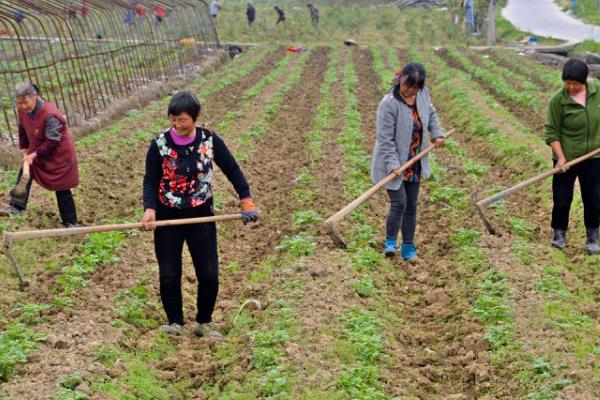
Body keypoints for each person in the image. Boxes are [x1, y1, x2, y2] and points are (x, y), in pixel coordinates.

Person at [141, 91, 260, 338]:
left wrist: (245, 200)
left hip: (201, 213)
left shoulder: (209, 140)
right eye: (173, 119)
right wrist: (150, 209)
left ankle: (204, 323)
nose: (177, 124)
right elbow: (151, 180)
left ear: (195, 118)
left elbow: (232, 169)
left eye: (183, 119)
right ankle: (175, 322)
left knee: (208, 272)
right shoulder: (160, 144)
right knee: (169, 271)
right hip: (168, 214)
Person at [370, 62, 445, 261]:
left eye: (415, 87)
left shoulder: (422, 95)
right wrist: (394, 165)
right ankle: (390, 242)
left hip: (415, 161)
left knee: (411, 205)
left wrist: (436, 134)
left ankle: (408, 248)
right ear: (400, 78)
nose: (410, 90)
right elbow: (385, 140)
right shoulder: (389, 104)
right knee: (399, 203)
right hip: (391, 162)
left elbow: (432, 115)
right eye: (407, 85)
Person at [0, 83, 79, 227]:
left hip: (59, 155)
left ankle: (70, 222)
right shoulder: (22, 110)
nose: (23, 106)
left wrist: (34, 154)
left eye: (26, 101)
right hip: (38, 151)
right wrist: (24, 148)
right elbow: (22, 128)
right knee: (25, 173)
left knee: (62, 187)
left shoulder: (50, 114)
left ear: (34, 96)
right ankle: (16, 206)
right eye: (20, 102)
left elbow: (53, 141)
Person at [545, 59, 600, 254]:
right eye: (567, 82)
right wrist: (560, 158)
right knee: (562, 197)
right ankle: (559, 234)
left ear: (584, 81)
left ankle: (593, 236)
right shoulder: (558, 101)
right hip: (566, 157)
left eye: (574, 83)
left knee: (593, 198)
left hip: (594, 157)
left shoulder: (597, 94)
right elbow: (552, 132)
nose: (570, 87)